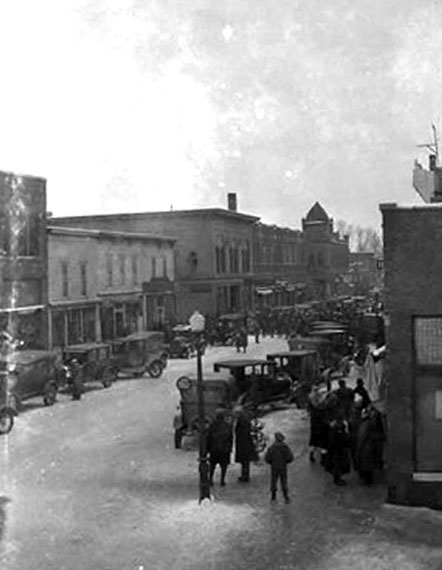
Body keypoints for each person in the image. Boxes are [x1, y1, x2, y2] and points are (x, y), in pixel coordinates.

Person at [264, 432, 294, 503]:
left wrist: (272, 462)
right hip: (283, 467)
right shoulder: (285, 447)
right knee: (283, 481)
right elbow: (290, 457)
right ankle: (286, 496)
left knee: (273, 481)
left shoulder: (272, 448)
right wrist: (285, 461)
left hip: (274, 467)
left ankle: (273, 496)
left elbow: (267, 458)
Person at [207, 410, 233, 486]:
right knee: (224, 466)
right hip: (224, 450)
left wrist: (208, 449)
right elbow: (230, 438)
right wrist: (229, 448)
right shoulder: (227, 426)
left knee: (212, 466)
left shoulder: (213, 425)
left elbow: (209, 438)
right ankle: (222, 480)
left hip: (214, 449)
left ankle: (210, 479)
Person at [234, 407, 259, 482]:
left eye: (236, 413)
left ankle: (245, 476)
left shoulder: (242, 421)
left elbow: (242, 432)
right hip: (245, 443)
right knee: (245, 461)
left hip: (244, 444)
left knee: (244, 461)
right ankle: (245, 475)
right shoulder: (244, 420)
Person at [326, 412, 351, 486]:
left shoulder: (336, 427)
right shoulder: (337, 428)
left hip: (337, 450)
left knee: (337, 464)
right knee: (338, 465)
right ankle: (337, 479)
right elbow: (337, 439)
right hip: (338, 450)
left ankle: (337, 478)